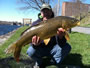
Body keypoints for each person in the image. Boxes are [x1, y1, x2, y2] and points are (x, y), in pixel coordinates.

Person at [27, 3, 71, 68]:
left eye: (48, 11)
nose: (46, 13)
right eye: (44, 11)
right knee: (30, 51)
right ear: (41, 13)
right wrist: (35, 44)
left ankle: (53, 62)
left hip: (53, 48)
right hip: (40, 48)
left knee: (67, 47)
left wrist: (60, 37)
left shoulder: (57, 21)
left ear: (51, 12)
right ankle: (39, 62)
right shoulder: (35, 24)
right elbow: (31, 43)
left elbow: (62, 44)